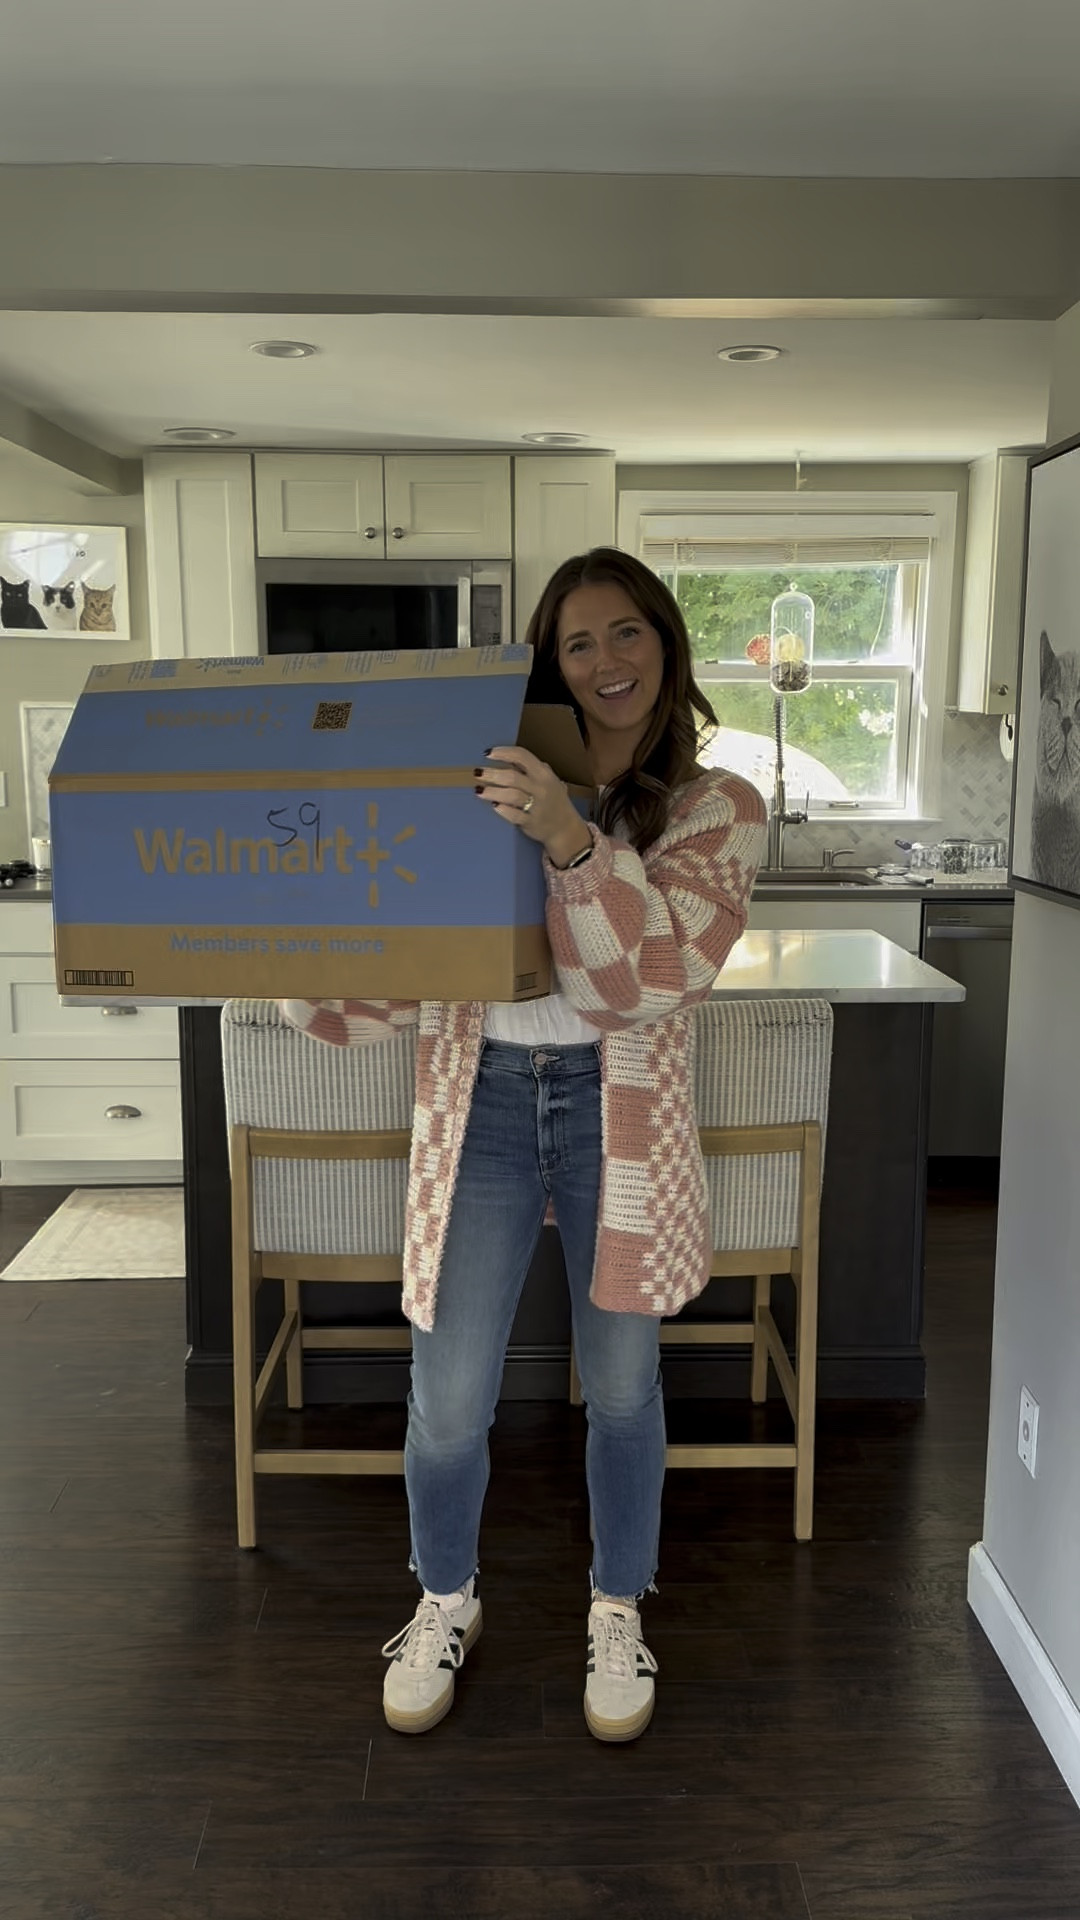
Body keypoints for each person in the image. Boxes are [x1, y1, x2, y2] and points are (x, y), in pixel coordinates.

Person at [279, 547, 767, 1743]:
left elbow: (642, 987)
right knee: (447, 1399)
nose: (606, 662)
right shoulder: (478, 787)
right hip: (482, 1101)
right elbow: (397, 980)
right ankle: (445, 1596)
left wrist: (568, 840)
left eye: (628, 634)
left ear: (667, 645)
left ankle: (616, 1605)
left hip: (623, 1116)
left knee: (619, 1390)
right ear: (548, 663)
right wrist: (307, 946)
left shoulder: (719, 809)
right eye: (578, 642)